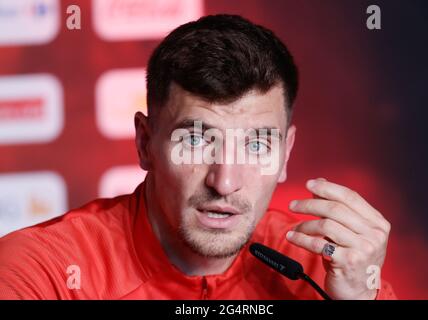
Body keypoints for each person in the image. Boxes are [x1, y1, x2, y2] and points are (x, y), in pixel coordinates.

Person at [0, 14, 396, 300]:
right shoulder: (42, 272)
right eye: (195, 140)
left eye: (257, 145)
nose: (224, 182)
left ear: (285, 154)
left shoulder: (322, 269)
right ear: (144, 143)